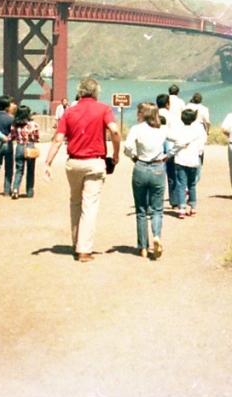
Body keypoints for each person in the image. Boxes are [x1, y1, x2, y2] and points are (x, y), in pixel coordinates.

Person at [45, 77, 121, 263]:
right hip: (95, 163)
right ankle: (84, 250)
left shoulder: (69, 112)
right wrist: (116, 153)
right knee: (90, 206)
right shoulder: (103, 109)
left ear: (79, 91)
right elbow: (115, 131)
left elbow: (58, 139)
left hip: (74, 163)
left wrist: (48, 162)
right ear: (96, 92)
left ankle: (76, 243)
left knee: (75, 203)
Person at [122, 102, 168, 259]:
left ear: (144, 113)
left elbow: (127, 148)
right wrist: (168, 155)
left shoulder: (136, 129)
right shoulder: (162, 129)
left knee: (141, 210)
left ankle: (143, 247)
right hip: (158, 167)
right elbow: (179, 142)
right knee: (157, 209)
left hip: (141, 166)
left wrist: (134, 157)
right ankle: (157, 236)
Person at [168, 107, 208, 218]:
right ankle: (193, 207)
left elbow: (168, 137)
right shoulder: (198, 131)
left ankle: (182, 208)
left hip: (180, 161)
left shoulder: (179, 130)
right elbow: (202, 145)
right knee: (192, 184)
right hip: (194, 161)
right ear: (194, 119)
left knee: (181, 184)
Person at [10, 104, 40, 199]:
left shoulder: (14, 125)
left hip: (19, 147)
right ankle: (29, 191)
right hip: (30, 146)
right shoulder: (34, 125)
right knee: (30, 170)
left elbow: (12, 136)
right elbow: (36, 138)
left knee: (19, 169)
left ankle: (15, 189)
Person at [0, 95, 16, 195]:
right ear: (7, 106)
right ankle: (7, 190)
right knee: (9, 168)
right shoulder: (10, 118)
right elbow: (13, 132)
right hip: (7, 144)